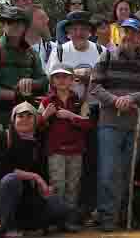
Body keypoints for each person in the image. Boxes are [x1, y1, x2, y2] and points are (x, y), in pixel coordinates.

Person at [87, 18, 140, 232]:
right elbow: (95, 86)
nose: (129, 36)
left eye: (134, 33)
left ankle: (120, 214)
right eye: (126, 31)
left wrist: (132, 98)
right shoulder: (106, 56)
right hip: (109, 123)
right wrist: (114, 100)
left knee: (127, 173)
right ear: (120, 33)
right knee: (108, 171)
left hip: (135, 125)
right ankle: (107, 216)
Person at [0, 103, 74, 238]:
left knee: (59, 206)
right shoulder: (1, 137)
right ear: (13, 119)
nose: (24, 119)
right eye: (20, 116)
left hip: (26, 198)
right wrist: (35, 177)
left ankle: (29, 225)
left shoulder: (37, 143)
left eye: (29, 116)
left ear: (35, 120)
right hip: (0, 196)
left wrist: (46, 189)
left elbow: (42, 172)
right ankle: (7, 226)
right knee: (11, 180)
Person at [0, 7, 51, 168]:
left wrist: (32, 83)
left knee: (26, 163)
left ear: (25, 26)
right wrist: (14, 95)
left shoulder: (31, 53)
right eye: (10, 22)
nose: (15, 26)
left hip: (25, 120)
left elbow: (44, 81)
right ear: (4, 25)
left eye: (20, 23)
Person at [38, 67, 91, 232]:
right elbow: (35, 127)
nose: (61, 80)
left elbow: (88, 124)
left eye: (65, 77)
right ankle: (56, 220)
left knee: (73, 187)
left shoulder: (79, 101)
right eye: (57, 77)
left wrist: (71, 116)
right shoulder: (46, 102)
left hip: (76, 150)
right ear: (52, 81)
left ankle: (69, 220)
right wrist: (45, 116)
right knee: (57, 185)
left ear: (72, 80)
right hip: (55, 150)